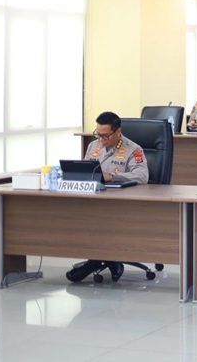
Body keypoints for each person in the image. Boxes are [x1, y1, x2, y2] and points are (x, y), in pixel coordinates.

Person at [67, 111, 149, 282]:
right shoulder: (93, 146)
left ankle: (96, 262)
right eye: (98, 134)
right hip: (95, 200)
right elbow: (86, 170)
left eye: (105, 135)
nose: (101, 139)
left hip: (122, 203)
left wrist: (112, 176)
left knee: (101, 221)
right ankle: (105, 259)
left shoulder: (134, 149)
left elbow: (142, 176)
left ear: (118, 131)